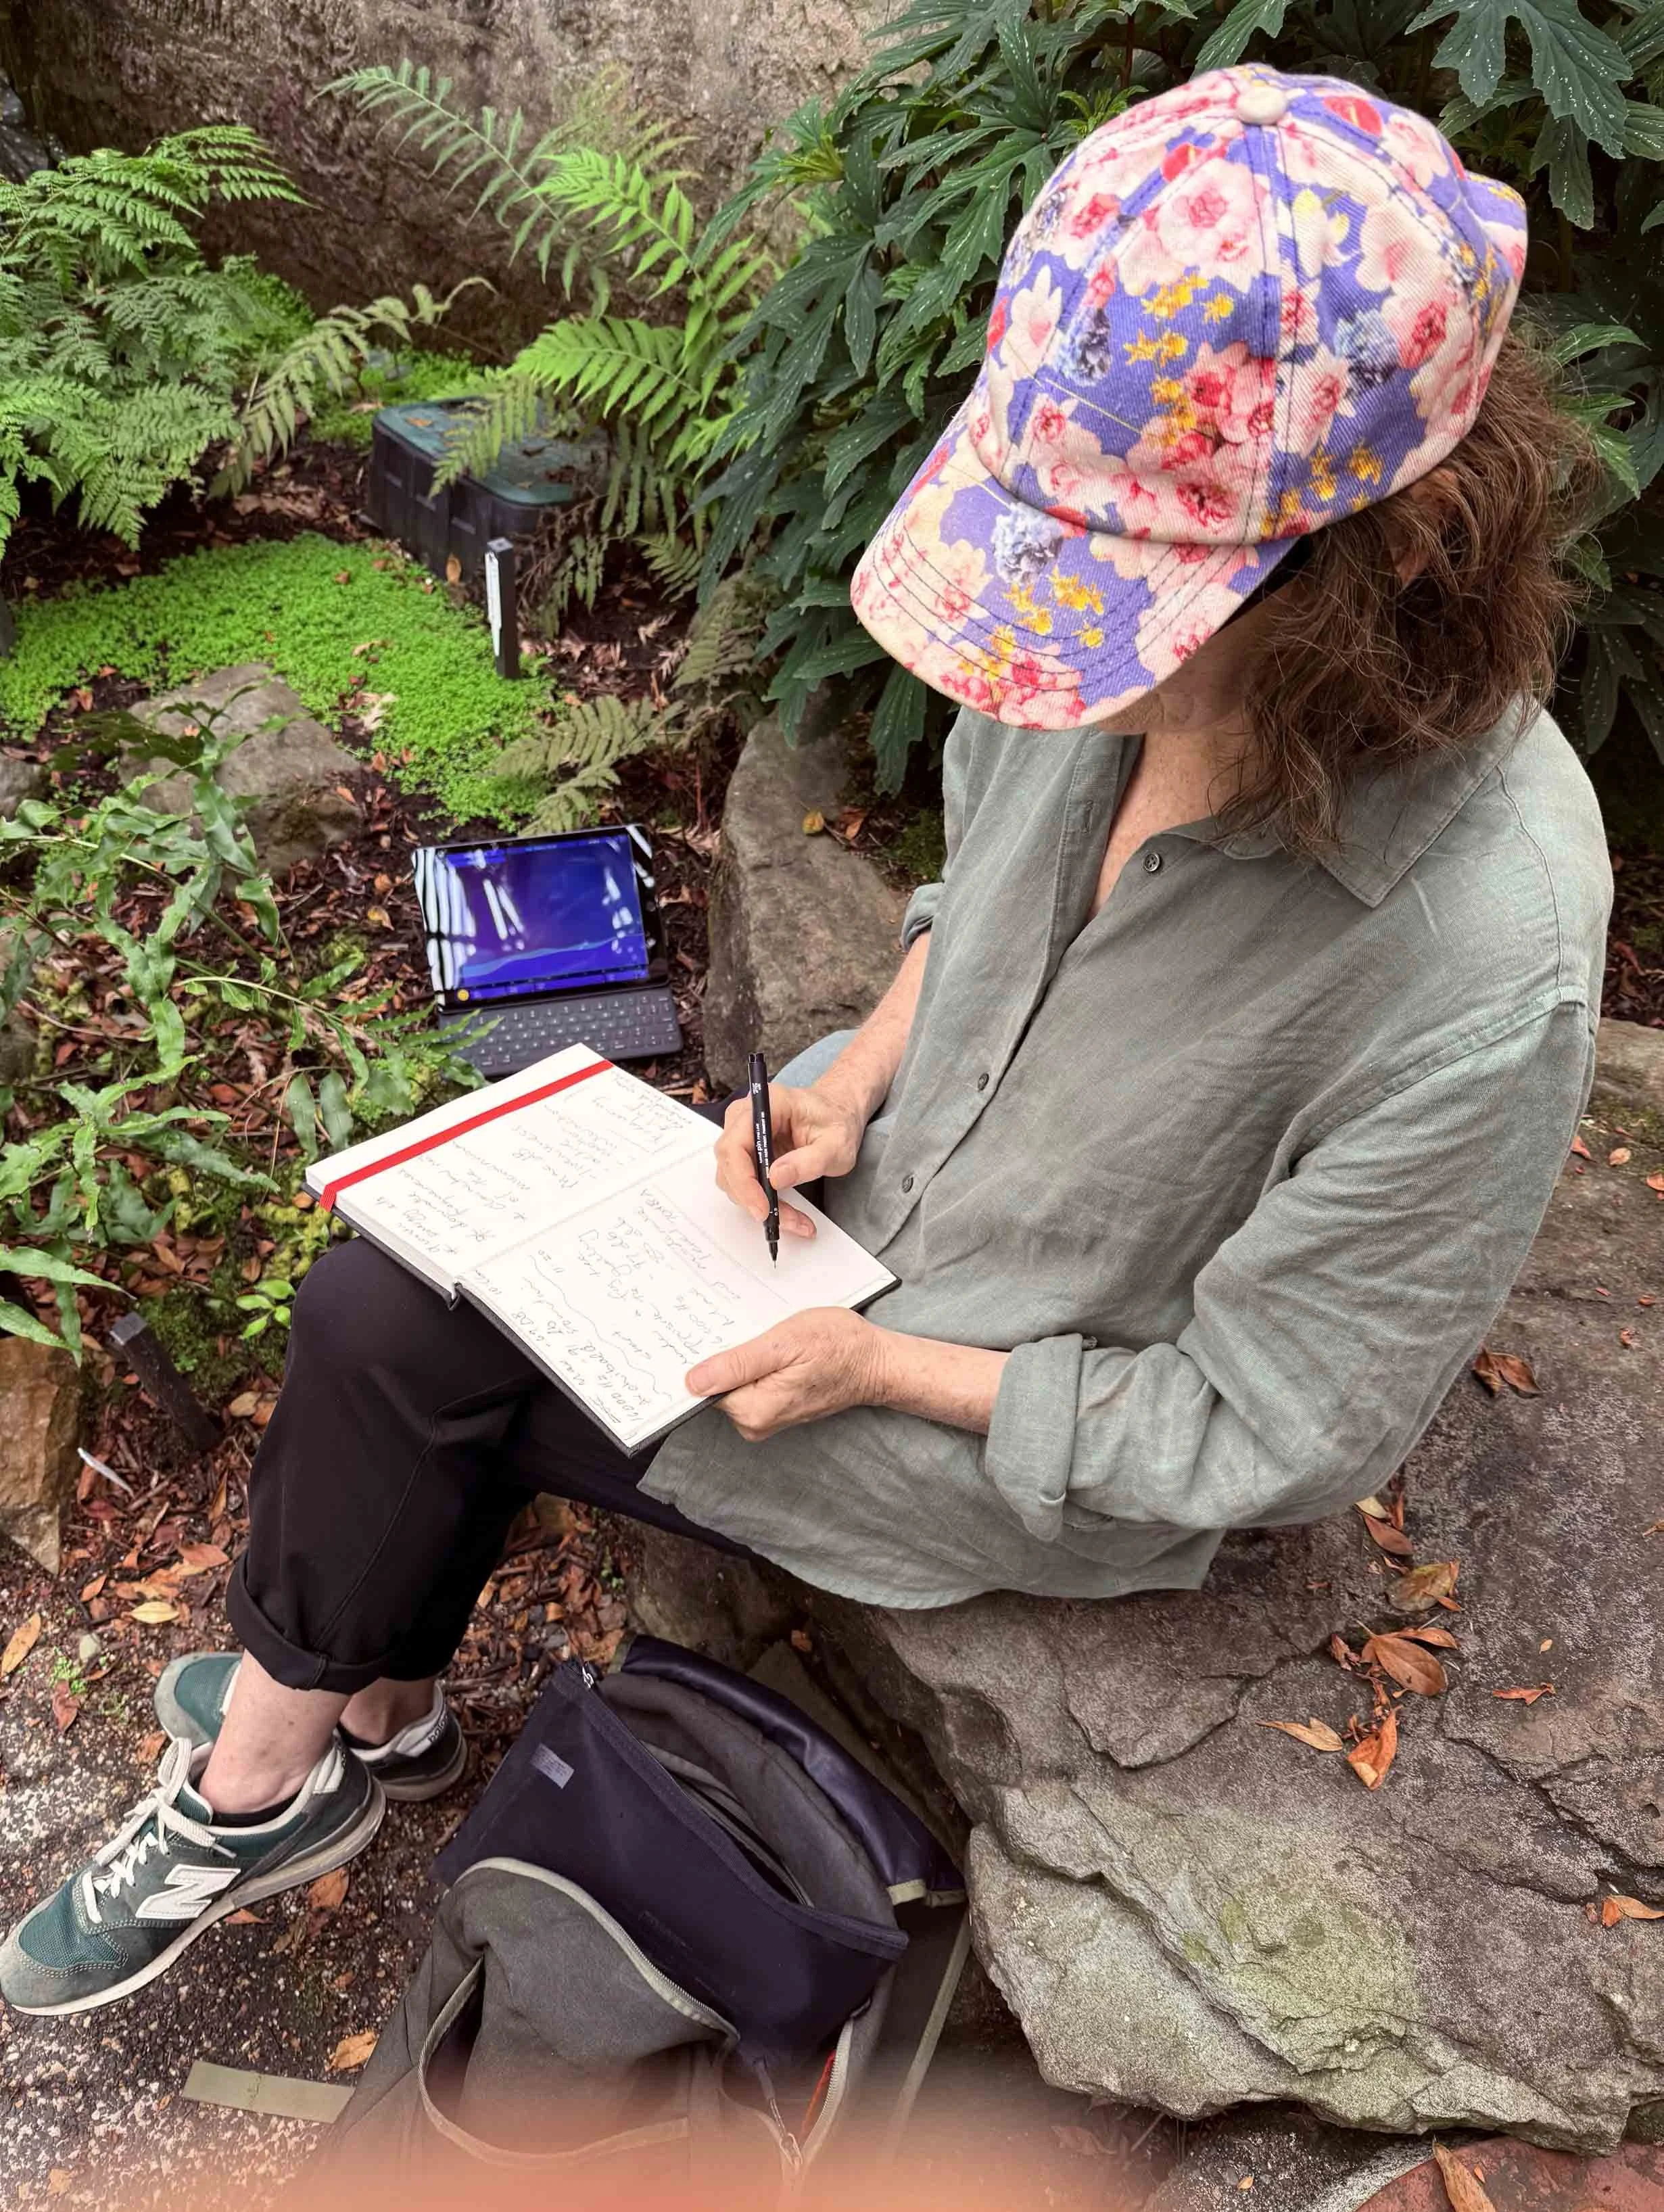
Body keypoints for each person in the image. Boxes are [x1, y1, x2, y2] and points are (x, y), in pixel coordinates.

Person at [2, 64, 1610, 2016]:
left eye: (1125, 603)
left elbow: (1270, 1433)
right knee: (425, 1269)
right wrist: (853, 1068)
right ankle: (376, 1695)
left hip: (1001, 1424)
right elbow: (974, 915)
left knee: (390, 1336)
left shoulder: (1474, 950)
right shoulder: (1100, 639)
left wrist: (891, 1372)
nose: (1066, 650)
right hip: (840, 1256)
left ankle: (277, 1765)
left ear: (1380, 570)